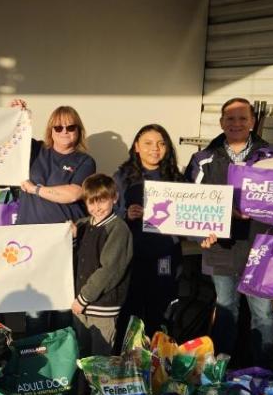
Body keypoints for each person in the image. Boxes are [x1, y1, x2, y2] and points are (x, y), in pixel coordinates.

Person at [185, 97, 273, 367]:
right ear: (221, 123)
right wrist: (199, 234)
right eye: (230, 118)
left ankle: (263, 372)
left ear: (252, 122)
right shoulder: (203, 159)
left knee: (263, 313)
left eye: (242, 118)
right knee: (226, 307)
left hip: (261, 246)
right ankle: (220, 371)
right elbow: (189, 203)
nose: (236, 123)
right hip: (222, 248)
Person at [10, 98, 97, 334]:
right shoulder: (35, 150)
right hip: (31, 241)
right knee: (35, 310)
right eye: (58, 127)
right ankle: (35, 363)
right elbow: (9, 139)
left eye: (71, 127)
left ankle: (61, 363)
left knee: (62, 308)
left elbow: (74, 193)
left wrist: (35, 189)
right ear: (51, 130)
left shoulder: (84, 161)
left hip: (65, 243)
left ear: (79, 131)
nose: (65, 132)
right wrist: (18, 114)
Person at [113, 124, 185, 336]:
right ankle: (127, 362)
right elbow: (107, 213)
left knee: (161, 314)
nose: (155, 148)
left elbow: (190, 217)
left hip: (165, 257)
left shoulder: (176, 178)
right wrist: (126, 215)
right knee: (130, 313)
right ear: (136, 147)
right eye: (148, 143)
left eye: (161, 143)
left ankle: (160, 363)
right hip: (132, 257)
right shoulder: (122, 177)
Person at [71, 173, 133, 356]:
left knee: (100, 359)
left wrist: (83, 298)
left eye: (102, 201)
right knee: (81, 356)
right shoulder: (81, 225)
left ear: (114, 198)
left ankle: (96, 386)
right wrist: (72, 239)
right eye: (91, 202)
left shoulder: (118, 229)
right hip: (79, 305)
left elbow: (109, 270)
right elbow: (74, 260)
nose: (97, 207)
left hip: (103, 307)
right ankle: (83, 386)